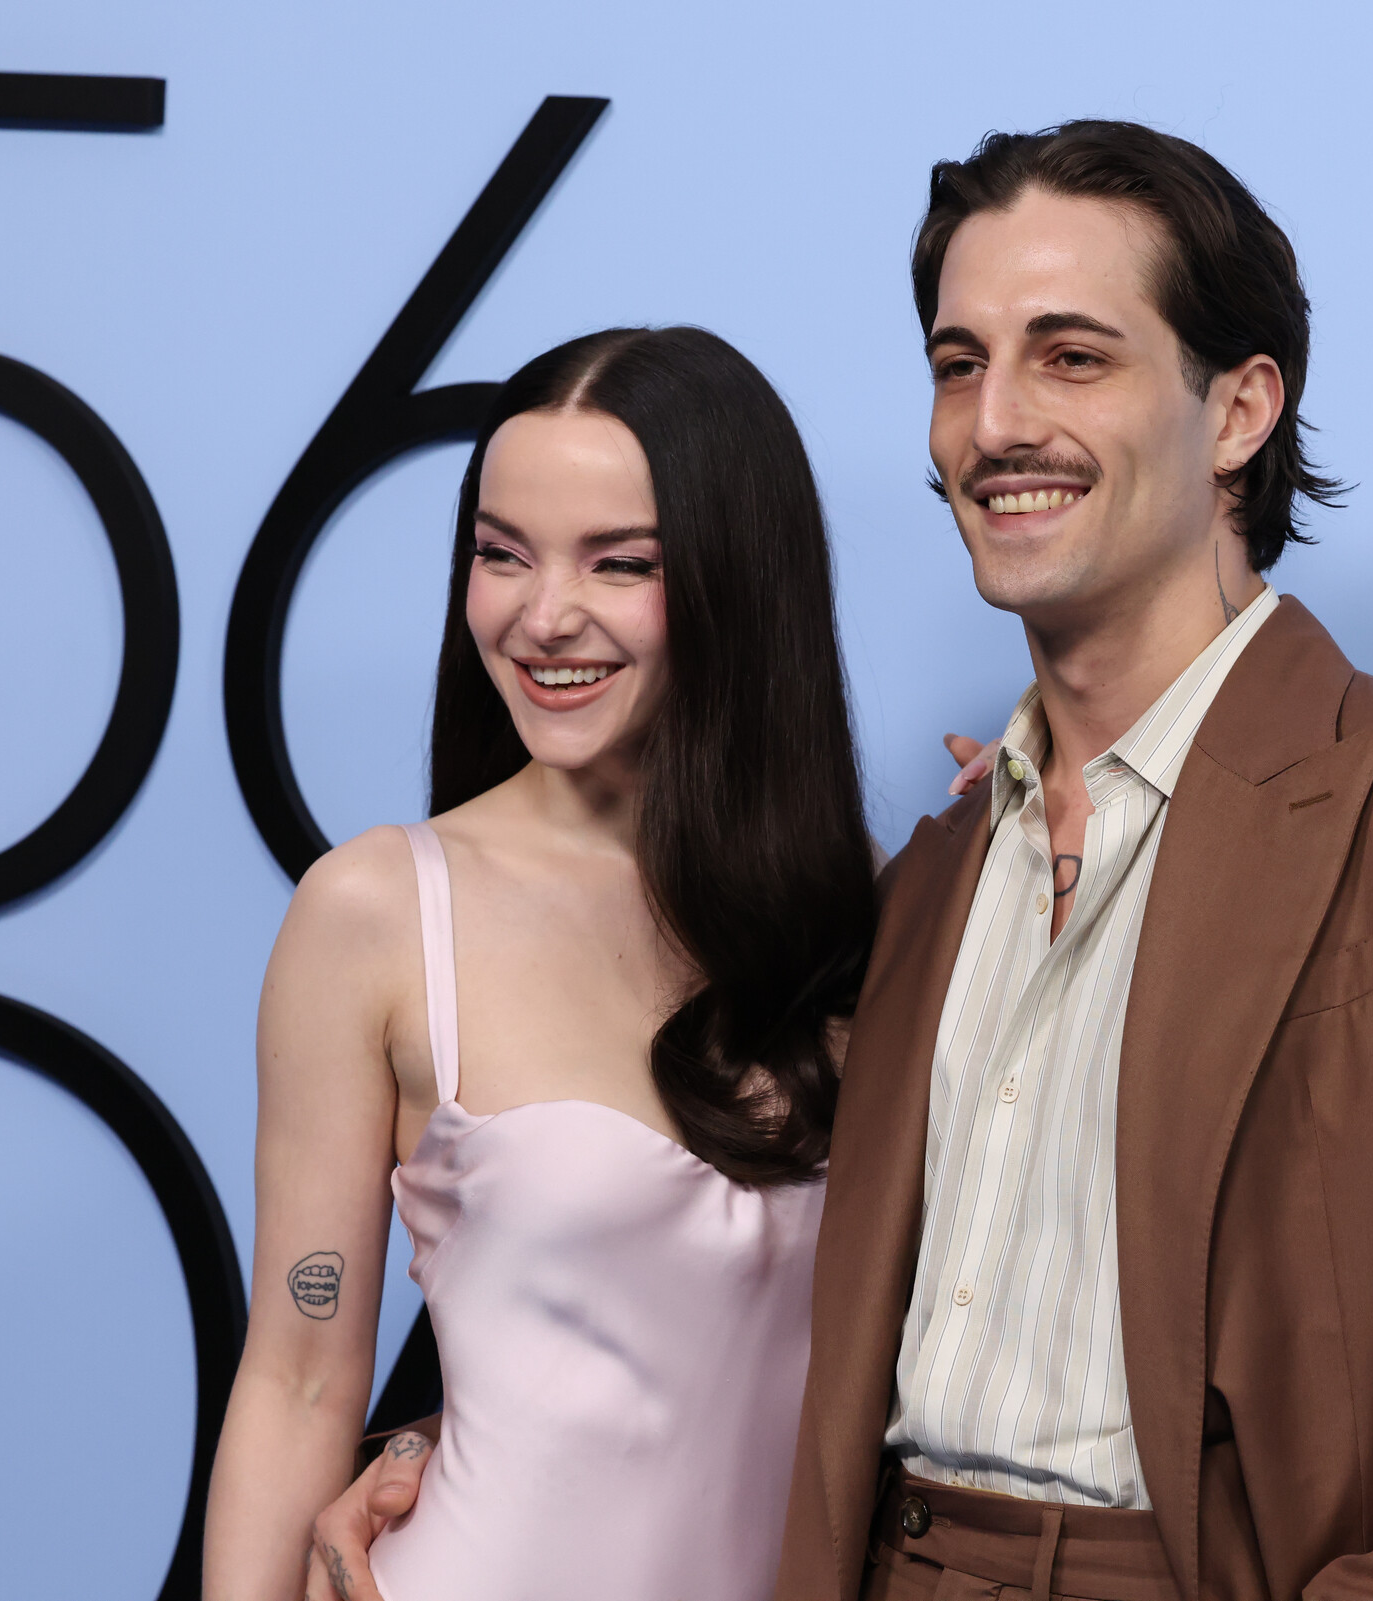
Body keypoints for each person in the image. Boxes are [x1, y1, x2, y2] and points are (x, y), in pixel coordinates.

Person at [335, 121, 1373, 1601]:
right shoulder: (926, 878)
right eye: (959, 363)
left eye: (1071, 357)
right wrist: (455, 1440)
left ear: (1240, 409)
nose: (995, 421)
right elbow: (710, 1276)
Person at [202, 326, 878, 1601]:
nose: (543, 615)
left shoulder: (871, 914)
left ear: (741, 582)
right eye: (501, 553)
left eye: (620, 562)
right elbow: (296, 1375)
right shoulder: (376, 910)